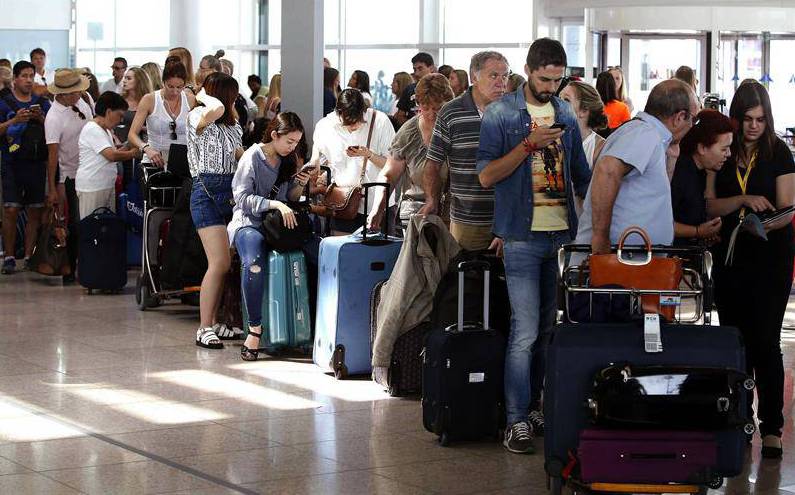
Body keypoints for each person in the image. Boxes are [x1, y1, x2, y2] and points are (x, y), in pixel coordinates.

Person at [477, 39, 592, 455]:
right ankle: (515, 419)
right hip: (522, 237)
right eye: (545, 79)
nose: (551, 87)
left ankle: (537, 407)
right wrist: (529, 146)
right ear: (528, 70)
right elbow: (486, 176)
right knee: (524, 333)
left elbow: (582, 174)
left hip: (560, 236)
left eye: (558, 80)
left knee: (547, 330)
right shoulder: (501, 114)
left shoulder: (563, 111)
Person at [706, 81, 795, 459]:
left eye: (760, 119)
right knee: (735, 343)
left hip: (771, 259)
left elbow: (787, 208)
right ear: (737, 118)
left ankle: (771, 427)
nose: (754, 126)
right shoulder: (724, 151)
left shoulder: (779, 154)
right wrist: (742, 201)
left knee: (766, 343)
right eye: (747, 119)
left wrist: (761, 222)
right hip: (731, 260)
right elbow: (711, 205)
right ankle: (739, 420)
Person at [575, 78, 699, 255]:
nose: (691, 127)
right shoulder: (645, 133)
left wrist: (671, 155)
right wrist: (600, 238)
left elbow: (652, 194)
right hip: (617, 262)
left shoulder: (650, 135)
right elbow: (608, 169)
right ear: (679, 117)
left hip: (632, 261)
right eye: (693, 120)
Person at [227, 113, 311, 360]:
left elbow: (289, 198)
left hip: (275, 226)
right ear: (275, 135)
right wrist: (274, 204)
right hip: (248, 223)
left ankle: (301, 327)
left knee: (312, 253)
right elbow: (241, 198)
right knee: (253, 263)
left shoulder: (287, 160)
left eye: (296, 142)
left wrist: (300, 184)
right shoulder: (253, 156)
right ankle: (254, 330)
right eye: (289, 141)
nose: (293, 147)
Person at [418, 51, 507, 251]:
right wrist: (432, 199)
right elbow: (433, 162)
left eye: (505, 76)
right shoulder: (451, 112)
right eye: (494, 76)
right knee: (465, 278)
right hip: (466, 219)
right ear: (474, 77)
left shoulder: (514, 112)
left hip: (508, 219)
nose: (501, 82)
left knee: (506, 280)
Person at [187, 72, 244, 349]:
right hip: (206, 194)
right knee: (219, 263)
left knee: (226, 265)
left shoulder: (233, 125)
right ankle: (204, 327)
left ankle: (220, 320)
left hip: (232, 194)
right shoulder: (198, 118)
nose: (235, 101)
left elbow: (238, 156)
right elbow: (218, 108)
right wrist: (201, 95)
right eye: (232, 96)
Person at [367, 74, 454, 232]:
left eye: (438, 108)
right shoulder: (409, 132)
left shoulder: (458, 128)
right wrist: (378, 208)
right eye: (425, 108)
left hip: (454, 213)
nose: (431, 114)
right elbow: (389, 174)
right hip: (416, 213)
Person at [310, 88, 395, 233]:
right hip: (343, 202)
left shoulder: (379, 121)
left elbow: (392, 165)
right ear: (339, 113)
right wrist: (314, 168)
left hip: (376, 203)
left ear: (364, 110)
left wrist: (369, 155)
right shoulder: (325, 126)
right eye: (348, 123)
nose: (353, 126)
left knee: (377, 254)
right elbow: (316, 158)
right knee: (342, 251)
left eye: (356, 121)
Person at [0, 61, 52, 274]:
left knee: (34, 211)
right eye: (24, 76)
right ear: (15, 79)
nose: (29, 80)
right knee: (11, 209)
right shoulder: (3, 103)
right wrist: (13, 122)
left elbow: (54, 132)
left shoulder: (43, 103)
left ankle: (29, 255)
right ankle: (10, 255)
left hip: (36, 163)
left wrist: (42, 120)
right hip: (11, 163)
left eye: (32, 76)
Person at [44, 68, 95, 282]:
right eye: (74, 92)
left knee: (87, 219)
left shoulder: (81, 102)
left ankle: (88, 263)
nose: (78, 94)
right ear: (62, 94)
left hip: (89, 168)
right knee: (73, 223)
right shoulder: (53, 118)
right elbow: (52, 156)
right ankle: (70, 268)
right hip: (69, 174)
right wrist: (53, 188)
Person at [671, 109, 734, 246]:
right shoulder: (680, 174)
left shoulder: (700, 172)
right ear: (702, 148)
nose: (728, 154)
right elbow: (661, 223)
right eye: (724, 149)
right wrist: (697, 231)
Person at [76, 92, 140, 219]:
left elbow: (113, 154)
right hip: (93, 187)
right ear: (109, 111)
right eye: (119, 115)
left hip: (104, 185)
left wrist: (127, 145)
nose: (121, 120)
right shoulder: (93, 129)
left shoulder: (105, 131)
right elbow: (111, 156)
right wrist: (133, 153)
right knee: (93, 228)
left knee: (105, 227)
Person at [128, 62, 195, 168]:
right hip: (154, 160)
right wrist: (146, 148)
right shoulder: (149, 99)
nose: (175, 91)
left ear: (185, 84)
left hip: (183, 161)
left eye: (179, 87)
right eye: (170, 86)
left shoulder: (190, 100)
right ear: (163, 82)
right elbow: (132, 134)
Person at [558, 81, 608, 169]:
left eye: (566, 100)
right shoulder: (552, 137)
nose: (558, 104)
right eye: (559, 98)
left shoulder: (600, 149)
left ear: (584, 111)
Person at [394, 52, 436, 126]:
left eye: (420, 69)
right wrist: (413, 128)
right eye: (414, 69)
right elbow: (400, 115)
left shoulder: (441, 88)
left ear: (431, 68)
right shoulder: (409, 89)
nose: (417, 73)